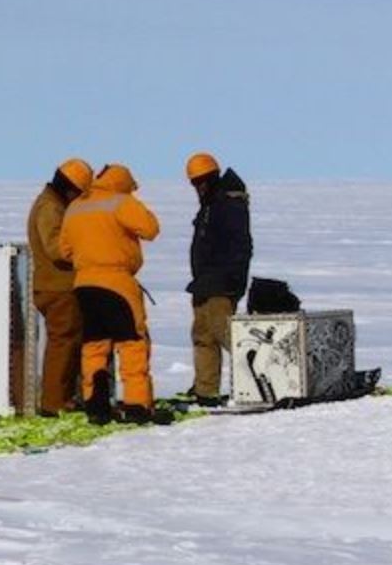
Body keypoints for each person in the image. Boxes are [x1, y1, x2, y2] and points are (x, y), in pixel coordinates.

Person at [58, 163, 171, 425]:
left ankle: (95, 405)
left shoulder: (76, 207)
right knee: (132, 344)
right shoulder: (121, 202)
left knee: (94, 346)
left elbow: (64, 250)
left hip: (84, 285)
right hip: (117, 282)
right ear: (124, 184)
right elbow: (151, 228)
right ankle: (137, 405)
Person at [25, 158, 93, 415]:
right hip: (57, 287)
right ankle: (54, 402)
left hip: (57, 286)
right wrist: (88, 251)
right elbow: (56, 248)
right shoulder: (50, 208)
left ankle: (63, 397)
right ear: (70, 188)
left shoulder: (51, 204)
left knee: (68, 343)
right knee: (63, 344)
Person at [184, 151, 253, 404]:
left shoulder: (228, 205)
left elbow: (240, 246)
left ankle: (263, 376)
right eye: (194, 182)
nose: (198, 186)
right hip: (204, 281)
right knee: (203, 335)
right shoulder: (211, 205)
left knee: (225, 333)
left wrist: (231, 279)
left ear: (213, 177)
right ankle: (205, 389)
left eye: (202, 180)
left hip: (220, 282)